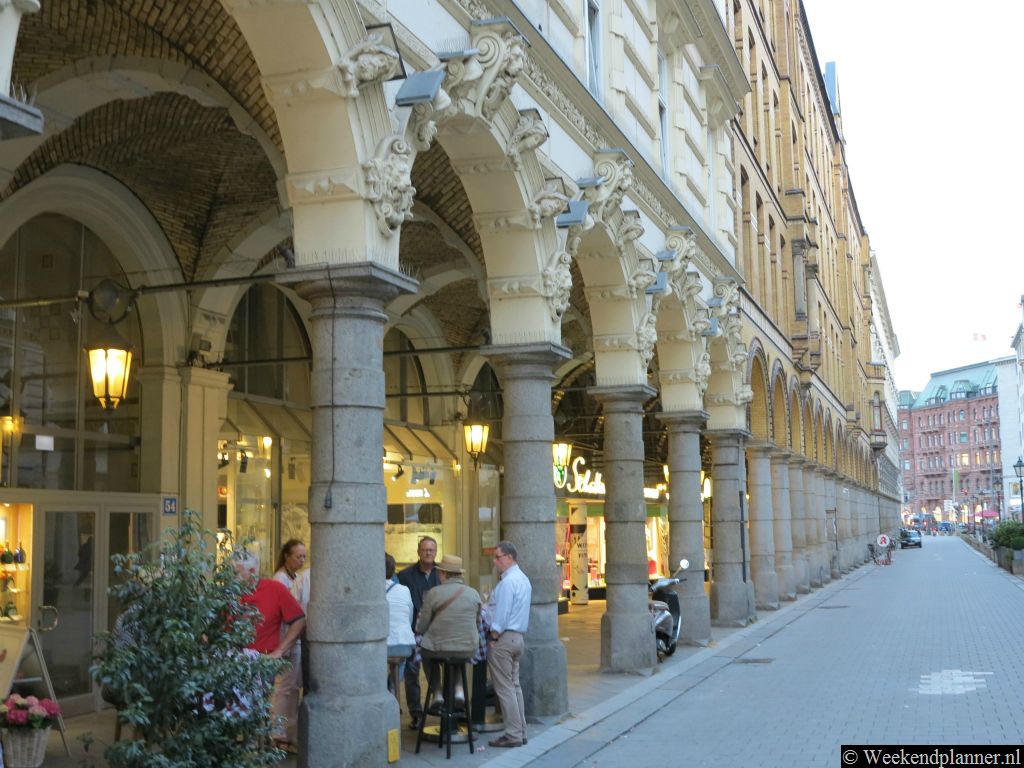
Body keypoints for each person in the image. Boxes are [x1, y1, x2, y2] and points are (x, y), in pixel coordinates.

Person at [233, 552, 306, 754]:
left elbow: (299, 620)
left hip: (261, 658)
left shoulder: (274, 589)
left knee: (256, 696)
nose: (233, 576)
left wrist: (280, 650)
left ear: (252, 571)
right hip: (232, 657)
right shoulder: (230, 592)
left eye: (236, 572)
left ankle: (253, 741)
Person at [415, 554, 481, 710]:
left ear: (443, 573)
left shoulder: (433, 593)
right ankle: (459, 690)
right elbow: (478, 623)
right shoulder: (474, 593)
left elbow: (421, 627)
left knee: (427, 656)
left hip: (437, 649)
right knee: (459, 655)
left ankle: (437, 692)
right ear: (459, 574)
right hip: (468, 648)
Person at [485, 541, 531, 748]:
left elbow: (502, 614)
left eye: (498, 557)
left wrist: (494, 636)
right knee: (514, 686)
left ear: (509, 558)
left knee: (505, 689)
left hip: (504, 638)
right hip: (517, 638)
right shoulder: (523, 580)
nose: (495, 562)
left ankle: (513, 734)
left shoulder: (508, 583)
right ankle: (521, 731)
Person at [397, 536, 440, 728]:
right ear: (418, 552)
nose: (428, 553)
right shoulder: (405, 575)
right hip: (412, 630)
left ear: (436, 552)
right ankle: (416, 713)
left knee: (434, 669)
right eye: (424, 549)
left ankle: (438, 703)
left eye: (431, 550)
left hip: (436, 630)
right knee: (412, 672)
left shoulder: (442, 574)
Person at [271, 540, 310, 750]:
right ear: (287, 556)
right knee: (284, 687)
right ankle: (278, 733)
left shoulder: (296, 577)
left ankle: (289, 732)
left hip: (295, 639)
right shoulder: (280, 579)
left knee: (293, 687)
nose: (302, 560)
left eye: (304, 556)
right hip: (286, 639)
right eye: (298, 556)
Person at [385, 552, 416, 694]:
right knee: (400, 661)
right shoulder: (404, 590)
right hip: (404, 643)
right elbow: (409, 618)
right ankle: (393, 685)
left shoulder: (371, 591)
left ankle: (381, 690)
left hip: (382, 646)